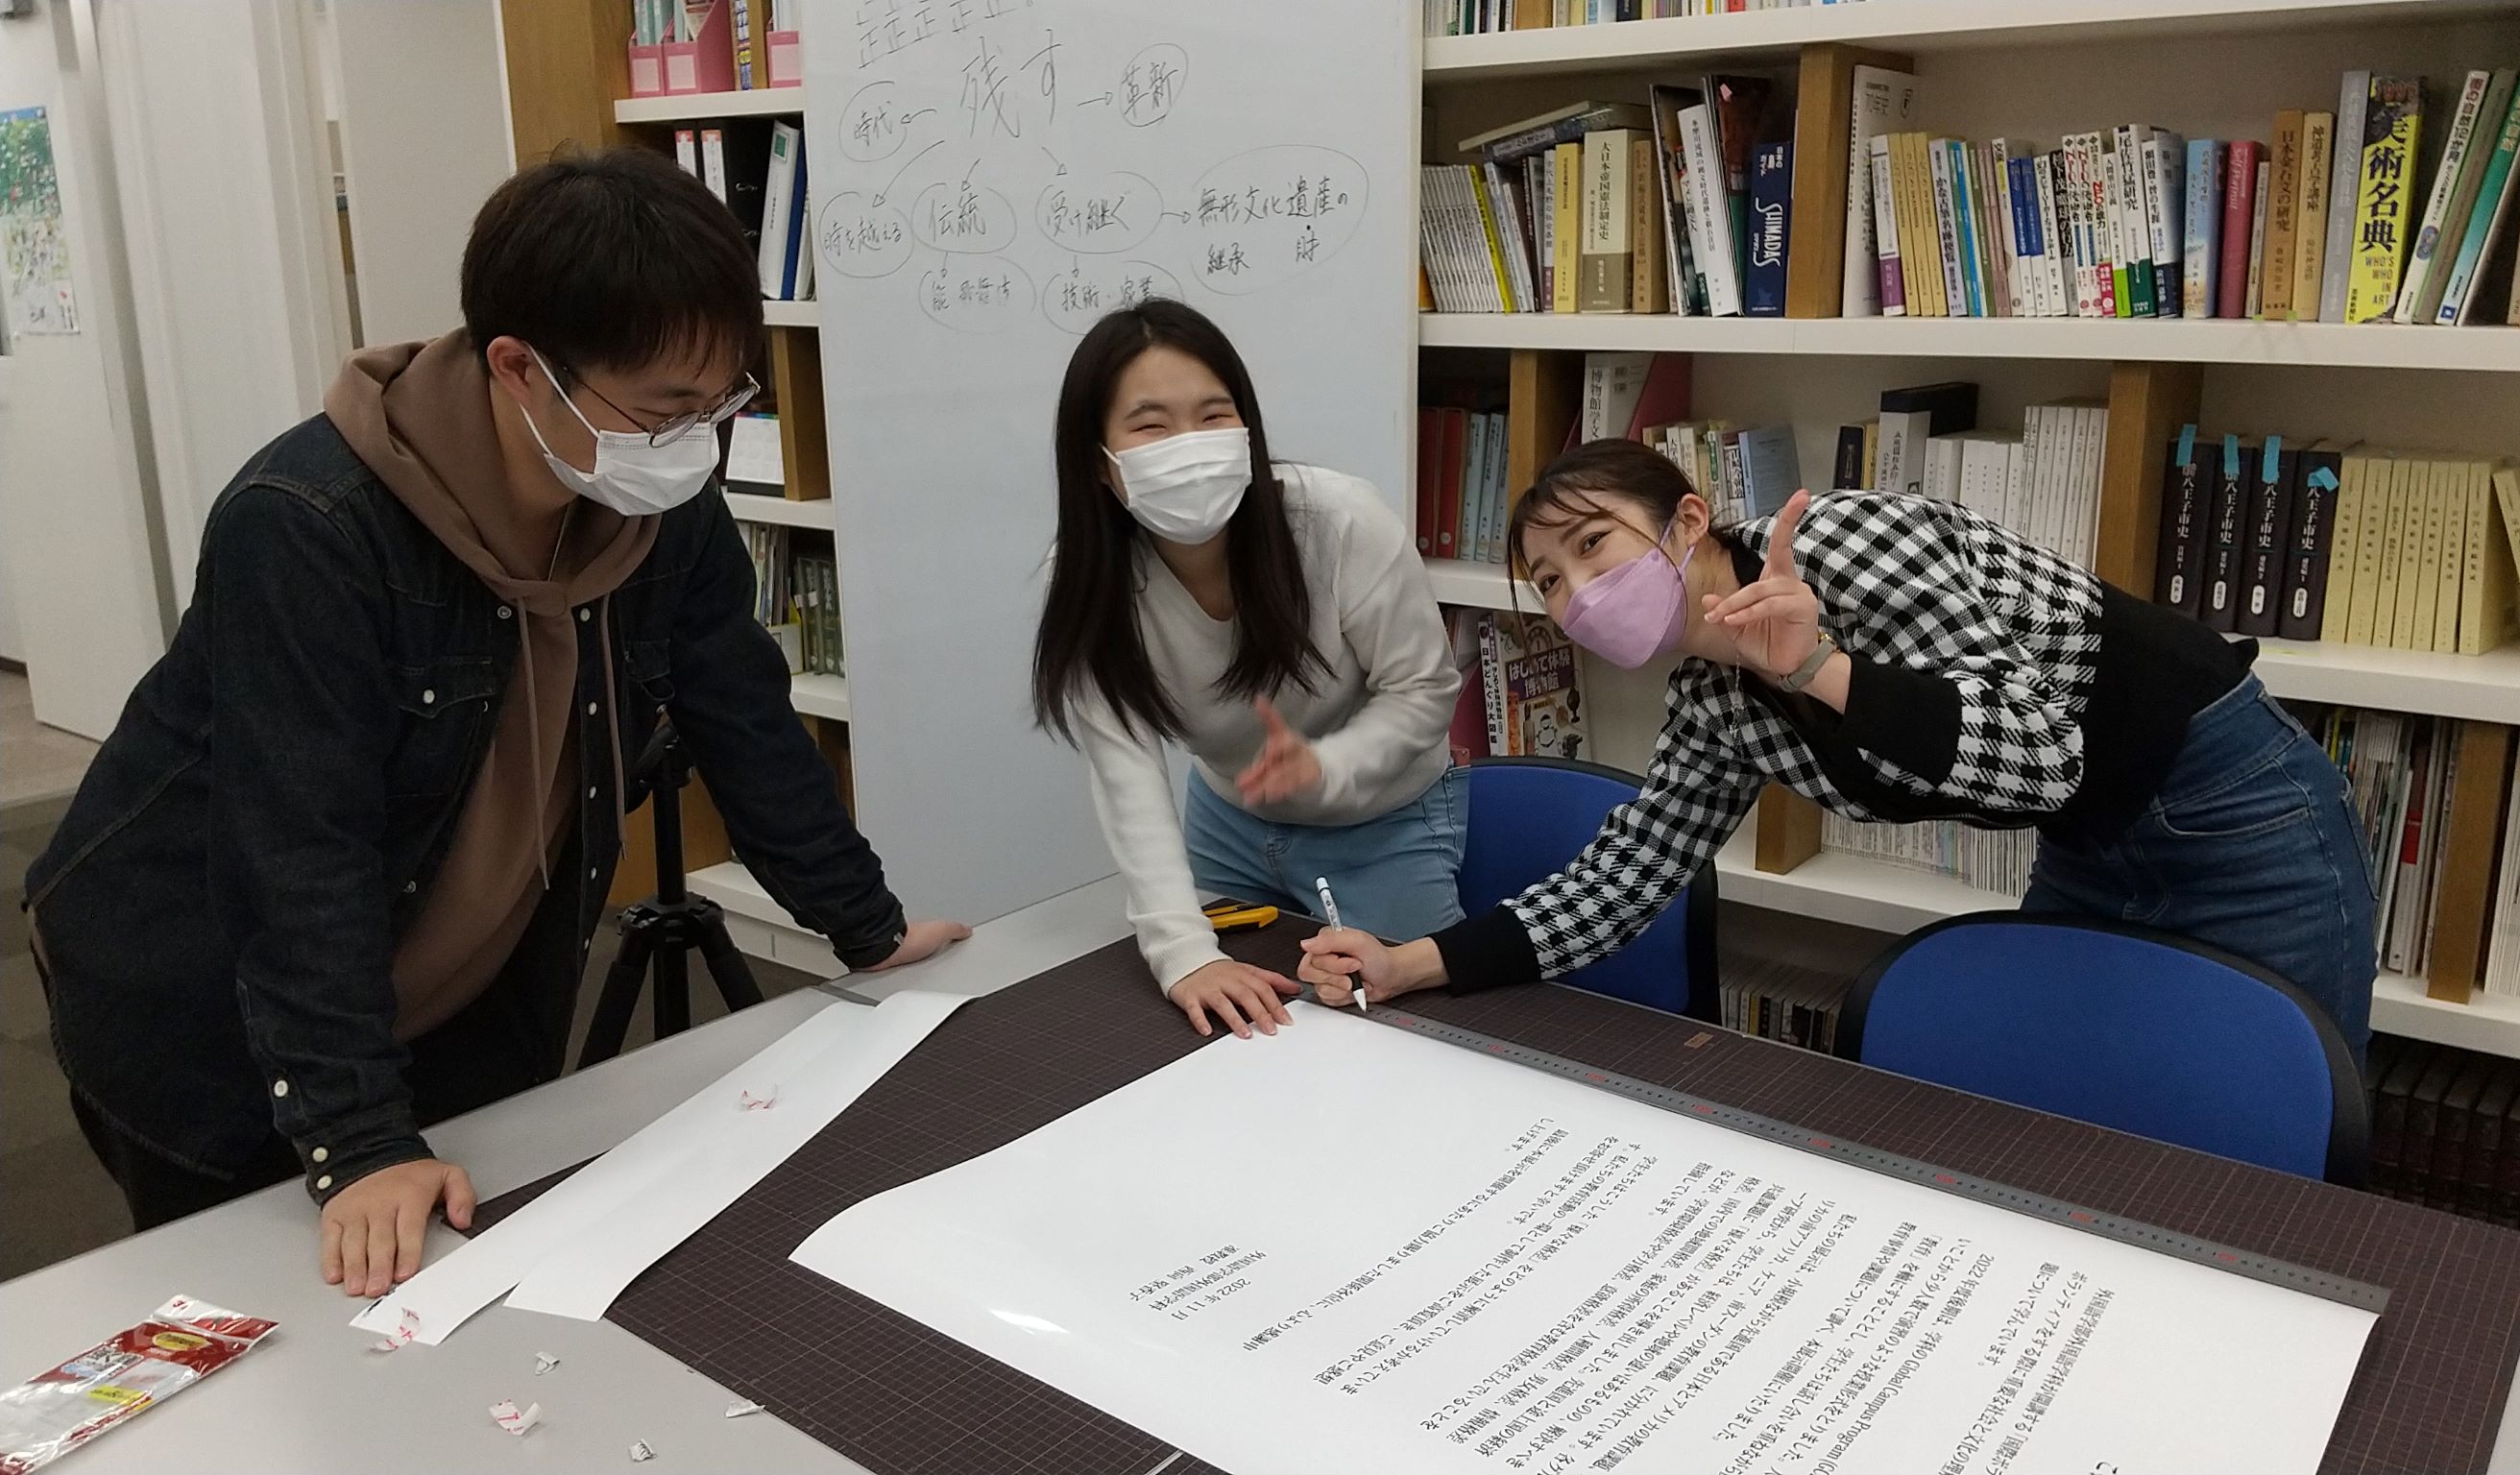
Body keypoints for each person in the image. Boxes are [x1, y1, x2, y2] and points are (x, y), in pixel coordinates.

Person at [20, 150, 965, 1297]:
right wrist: (356, 1140)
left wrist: (865, 927)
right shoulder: (308, 524)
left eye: (721, 401)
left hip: (461, 979)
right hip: (207, 999)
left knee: (473, 1288)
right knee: (273, 1311)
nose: (697, 441)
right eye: (665, 409)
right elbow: (296, 850)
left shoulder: (656, 505)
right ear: (518, 367)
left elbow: (743, 717)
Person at [1300, 438, 2377, 1059]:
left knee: (2284, 1098)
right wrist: (1412, 962)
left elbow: (2044, 751)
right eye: (1550, 582)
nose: (1580, 592)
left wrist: (1820, 667)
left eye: (1594, 545)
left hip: (2235, 801)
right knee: (2078, 1091)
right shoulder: (1714, 700)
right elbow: (1625, 878)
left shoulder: (1842, 544)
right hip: (2088, 839)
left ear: (1687, 521)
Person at [1031, 300, 1465, 1041]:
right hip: (1229, 822)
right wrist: (1182, 954)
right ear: (1100, 463)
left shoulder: (1339, 521)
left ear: (1247, 428)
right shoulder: (1086, 581)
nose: (1189, 445)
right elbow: (1126, 770)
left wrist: (1327, 766)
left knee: (1410, 1037)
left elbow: (1423, 688)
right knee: (1228, 1033)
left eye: (1213, 415)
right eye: (1151, 425)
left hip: (1385, 823)